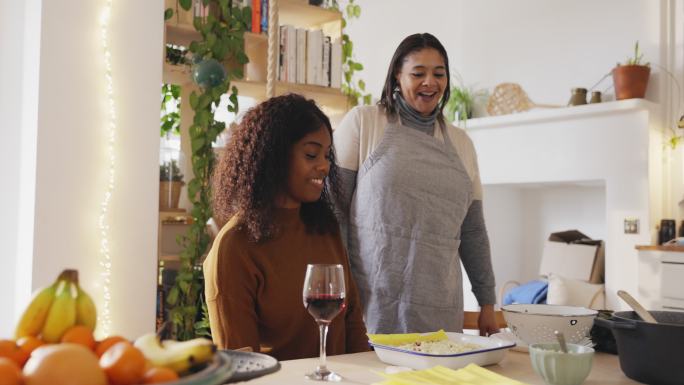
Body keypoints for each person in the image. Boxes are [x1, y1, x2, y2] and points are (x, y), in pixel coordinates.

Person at [332, 33, 498, 336]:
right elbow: (335, 212)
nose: (430, 83)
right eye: (418, 73)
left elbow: (472, 230)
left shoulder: (462, 144)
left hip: (440, 311)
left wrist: (487, 302)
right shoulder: (364, 122)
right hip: (369, 306)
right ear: (397, 74)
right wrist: (342, 292)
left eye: (439, 73)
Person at [204, 94, 369, 360]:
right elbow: (241, 363)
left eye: (327, 155)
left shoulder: (325, 228)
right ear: (274, 155)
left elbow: (352, 323)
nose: (324, 165)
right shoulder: (235, 246)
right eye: (311, 154)